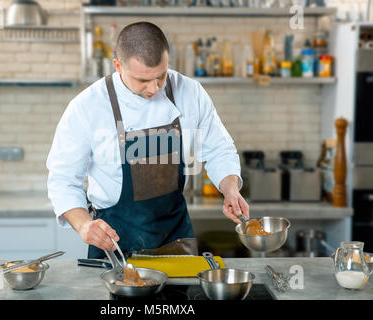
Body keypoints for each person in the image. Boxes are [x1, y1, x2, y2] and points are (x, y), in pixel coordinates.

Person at [46, 21, 249, 259]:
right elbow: (63, 179)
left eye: (161, 76)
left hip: (175, 236)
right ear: (118, 66)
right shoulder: (87, 107)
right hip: (115, 241)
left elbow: (219, 150)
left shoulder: (190, 92)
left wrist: (230, 188)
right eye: (142, 81)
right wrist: (83, 225)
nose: (154, 88)